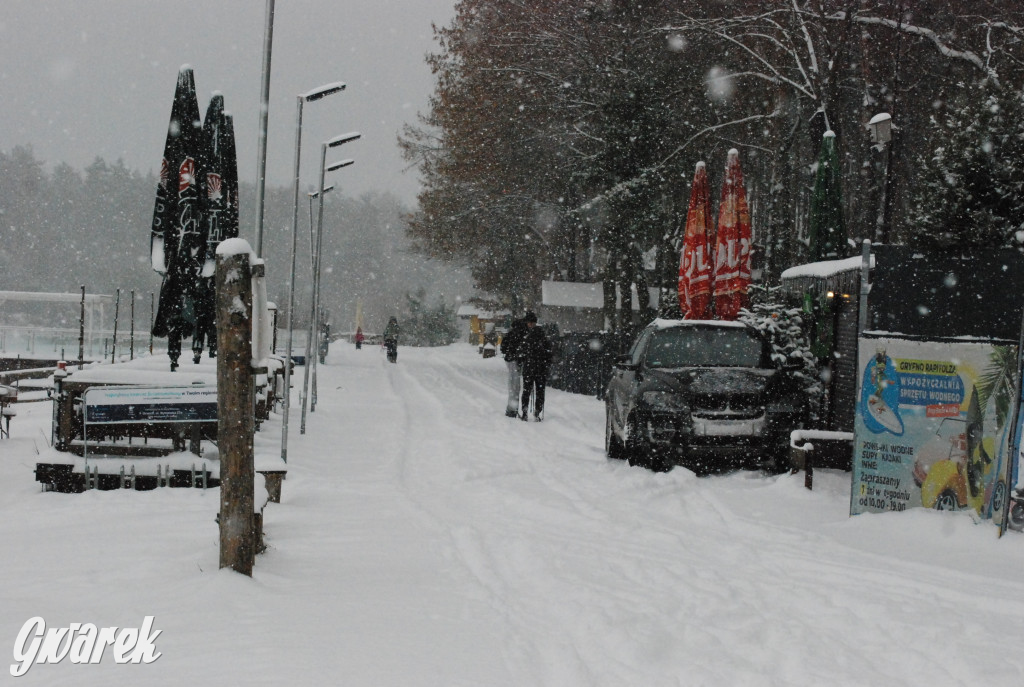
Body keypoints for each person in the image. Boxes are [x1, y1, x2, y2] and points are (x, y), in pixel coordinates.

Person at [519, 311, 552, 421]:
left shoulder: (527, 337)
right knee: (540, 391)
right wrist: (546, 364)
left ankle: (524, 412)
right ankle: (537, 412)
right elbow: (549, 353)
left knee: (526, 391)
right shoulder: (543, 336)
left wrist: (522, 360)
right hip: (540, 369)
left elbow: (522, 352)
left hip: (529, 368)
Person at [500, 317, 527, 417]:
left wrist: (510, 353)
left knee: (513, 386)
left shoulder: (510, 334)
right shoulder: (523, 335)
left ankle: (512, 409)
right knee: (517, 386)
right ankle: (516, 409)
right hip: (519, 361)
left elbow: (503, 348)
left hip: (511, 361)